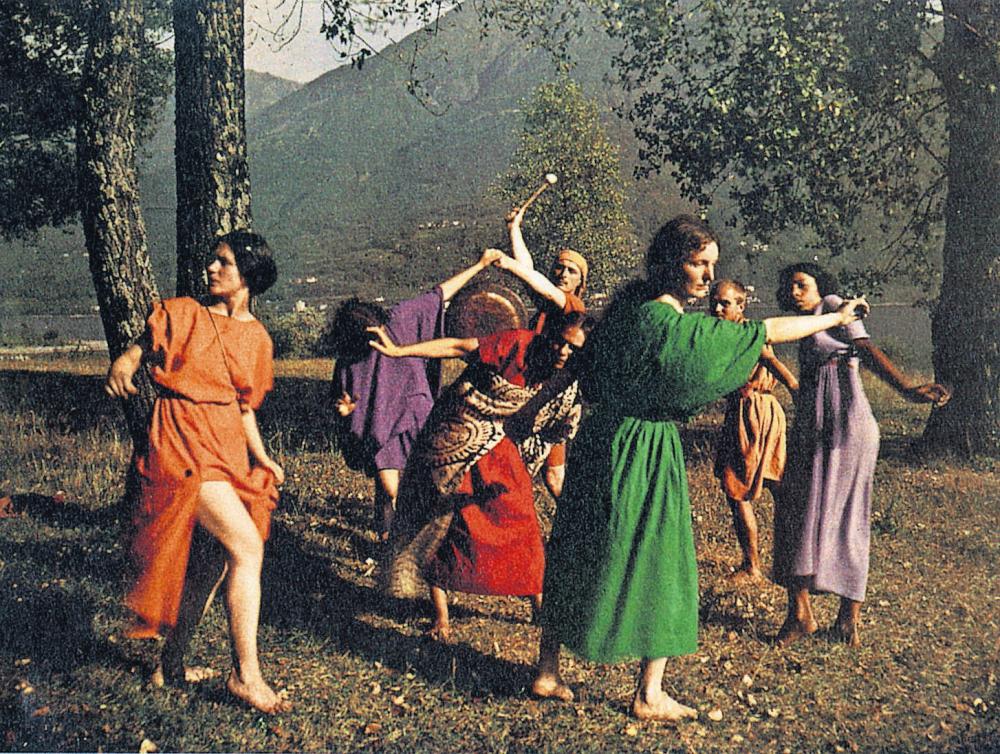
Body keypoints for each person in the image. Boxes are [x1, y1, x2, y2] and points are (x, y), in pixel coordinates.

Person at [532, 215, 871, 721]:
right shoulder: (671, 326)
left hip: (598, 441)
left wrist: (528, 412)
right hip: (645, 445)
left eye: (713, 265)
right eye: (699, 263)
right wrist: (835, 317)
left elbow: (579, 366)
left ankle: (547, 670)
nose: (709, 276)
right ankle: (648, 694)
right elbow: (765, 332)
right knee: (663, 560)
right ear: (672, 263)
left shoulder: (627, 311)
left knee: (578, 548)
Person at [105, 230, 290, 714]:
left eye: (224, 262)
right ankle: (246, 675)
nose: (212, 268)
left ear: (248, 274)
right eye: (213, 259)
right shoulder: (185, 312)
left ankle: (170, 665)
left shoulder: (257, 338)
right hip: (181, 442)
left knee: (213, 562)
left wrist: (262, 457)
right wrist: (126, 359)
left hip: (225, 447)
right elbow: (143, 345)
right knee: (246, 546)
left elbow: (243, 406)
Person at [370, 312, 593, 641]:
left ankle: (541, 608)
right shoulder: (517, 344)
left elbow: (555, 439)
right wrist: (400, 351)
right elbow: (460, 347)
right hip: (457, 432)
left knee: (522, 522)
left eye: (573, 348)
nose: (563, 351)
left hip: (502, 449)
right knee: (442, 523)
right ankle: (441, 617)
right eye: (560, 341)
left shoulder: (569, 384)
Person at [772, 263, 950, 648]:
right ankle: (801, 614)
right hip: (815, 428)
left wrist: (907, 389)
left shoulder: (834, 306)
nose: (794, 292)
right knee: (796, 510)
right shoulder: (806, 323)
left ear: (821, 286)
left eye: (802, 285)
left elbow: (866, 350)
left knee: (848, 515)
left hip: (847, 427)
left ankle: (847, 620)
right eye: (789, 287)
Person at [330, 248, 502, 541]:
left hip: (414, 415)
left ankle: (404, 539)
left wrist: (481, 264)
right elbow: (344, 401)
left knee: (422, 483)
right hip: (380, 427)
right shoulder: (348, 358)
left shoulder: (400, 320)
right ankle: (390, 537)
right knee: (390, 488)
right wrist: (345, 413)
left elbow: (440, 294)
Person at [710, 279, 798, 583]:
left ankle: (756, 566)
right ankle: (775, 564)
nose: (717, 308)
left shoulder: (748, 333)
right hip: (747, 410)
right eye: (714, 302)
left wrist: (797, 390)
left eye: (724, 303)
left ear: (741, 305)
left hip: (755, 413)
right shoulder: (721, 334)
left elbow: (772, 362)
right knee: (759, 487)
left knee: (741, 487)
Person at [503, 203, 590, 498]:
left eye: (571, 271)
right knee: (552, 476)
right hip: (538, 392)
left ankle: (574, 522)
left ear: (580, 282)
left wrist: (507, 264)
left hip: (555, 398)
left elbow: (533, 279)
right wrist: (514, 229)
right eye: (559, 268)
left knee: (546, 474)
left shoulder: (573, 307)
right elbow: (530, 273)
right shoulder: (548, 303)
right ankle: (573, 521)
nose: (563, 274)